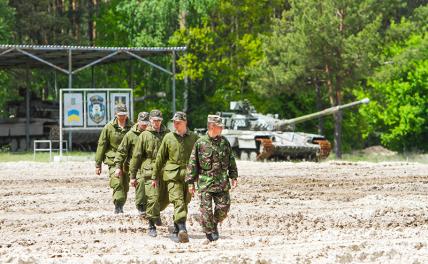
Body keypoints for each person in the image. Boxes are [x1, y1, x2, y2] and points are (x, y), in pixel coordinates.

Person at [186, 115, 238, 242]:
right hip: (205, 183)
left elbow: (231, 159)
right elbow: (193, 163)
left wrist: (233, 176)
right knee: (206, 210)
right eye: (220, 126)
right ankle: (209, 231)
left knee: (224, 208)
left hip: (222, 182)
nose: (222, 128)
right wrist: (190, 183)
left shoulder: (224, 142)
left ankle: (213, 223)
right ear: (212, 126)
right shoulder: (201, 143)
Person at [152, 111, 199, 243]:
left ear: (185, 123)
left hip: (188, 176)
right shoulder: (168, 137)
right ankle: (183, 228)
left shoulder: (194, 138)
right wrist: (154, 176)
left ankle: (178, 225)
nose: (175, 125)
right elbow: (160, 158)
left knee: (185, 201)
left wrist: (199, 176)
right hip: (172, 175)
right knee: (177, 201)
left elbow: (200, 159)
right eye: (174, 122)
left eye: (178, 122)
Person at [129, 110, 169, 236]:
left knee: (164, 199)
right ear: (150, 120)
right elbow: (136, 156)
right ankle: (151, 225)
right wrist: (133, 176)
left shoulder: (168, 134)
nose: (156, 123)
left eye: (159, 120)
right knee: (153, 198)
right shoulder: (144, 135)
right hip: (149, 171)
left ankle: (155, 213)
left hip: (164, 171)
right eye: (154, 120)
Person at [95, 105, 133, 213]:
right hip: (113, 159)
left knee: (125, 185)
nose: (122, 117)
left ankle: (121, 202)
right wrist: (98, 164)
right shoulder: (108, 127)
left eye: (124, 115)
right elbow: (101, 145)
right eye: (120, 115)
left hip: (127, 161)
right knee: (117, 182)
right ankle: (118, 205)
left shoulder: (132, 127)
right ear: (115, 114)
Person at [114, 111, 150, 215]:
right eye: (142, 123)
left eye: (146, 123)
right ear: (137, 121)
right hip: (135, 166)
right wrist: (117, 167)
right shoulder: (130, 135)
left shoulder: (153, 133)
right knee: (141, 181)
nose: (144, 125)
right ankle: (141, 207)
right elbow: (121, 151)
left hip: (151, 165)